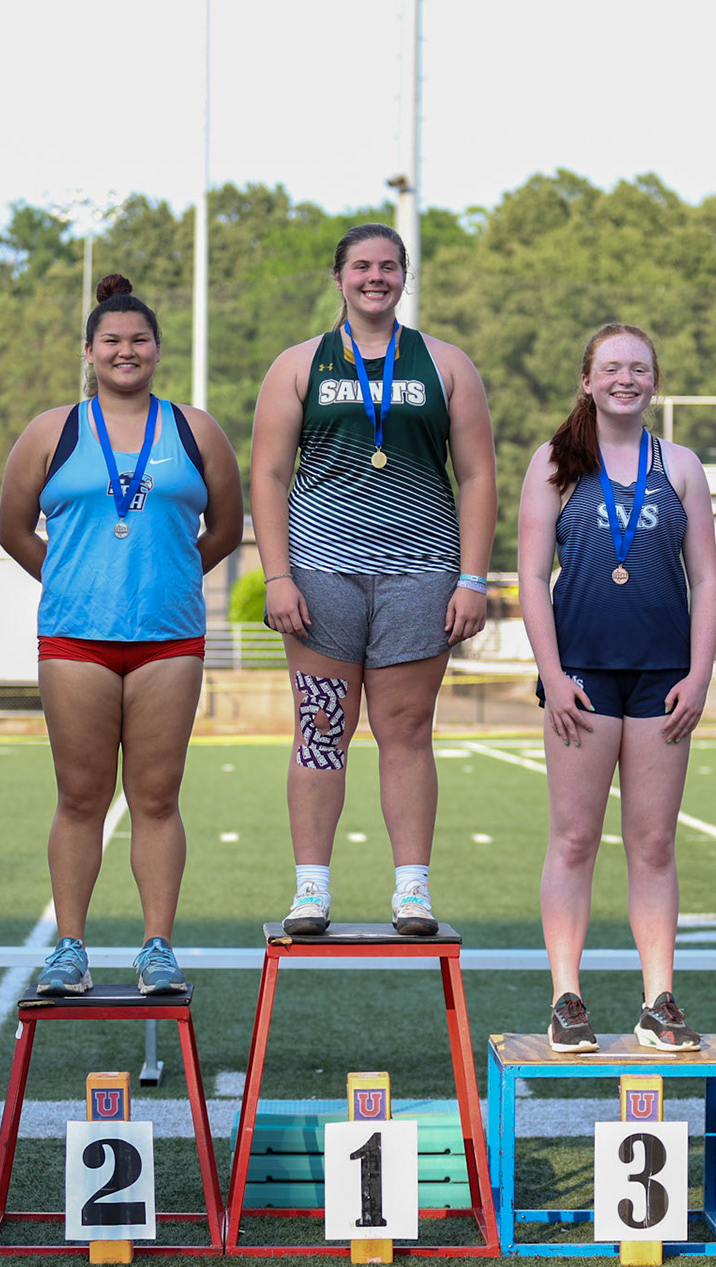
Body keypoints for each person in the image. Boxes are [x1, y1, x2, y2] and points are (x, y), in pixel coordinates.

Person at [0, 275, 243, 996]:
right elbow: (14, 529)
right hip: (77, 639)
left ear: (158, 350)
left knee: (157, 798)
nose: (126, 351)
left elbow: (226, 528)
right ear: (89, 352)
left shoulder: (195, 430)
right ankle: (69, 948)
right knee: (79, 798)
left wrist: (172, 574)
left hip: (168, 639)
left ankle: (157, 947)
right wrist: (71, 578)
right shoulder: (53, 430)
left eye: (139, 340)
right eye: (112, 341)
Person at [250, 223, 497, 936]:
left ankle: (412, 889)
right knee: (321, 728)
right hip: (322, 571)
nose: (375, 278)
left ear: (404, 276)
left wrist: (472, 579)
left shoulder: (446, 364)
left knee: (407, 729)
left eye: (389, 267)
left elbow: (478, 475)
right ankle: (311, 889)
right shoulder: (299, 364)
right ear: (339, 277)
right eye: (362, 266)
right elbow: (266, 474)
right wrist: (277, 576)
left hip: (421, 574)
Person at [516, 325, 716, 1053]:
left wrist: (699, 676)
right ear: (588, 381)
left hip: (664, 679)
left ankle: (657, 1000)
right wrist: (551, 675)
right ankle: (566, 998)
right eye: (611, 368)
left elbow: (705, 579)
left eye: (638, 368)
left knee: (654, 842)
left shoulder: (683, 466)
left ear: (655, 381)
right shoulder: (555, 461)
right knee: (573, 838)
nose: (625, 379)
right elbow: (532, 580)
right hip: (582, 676)